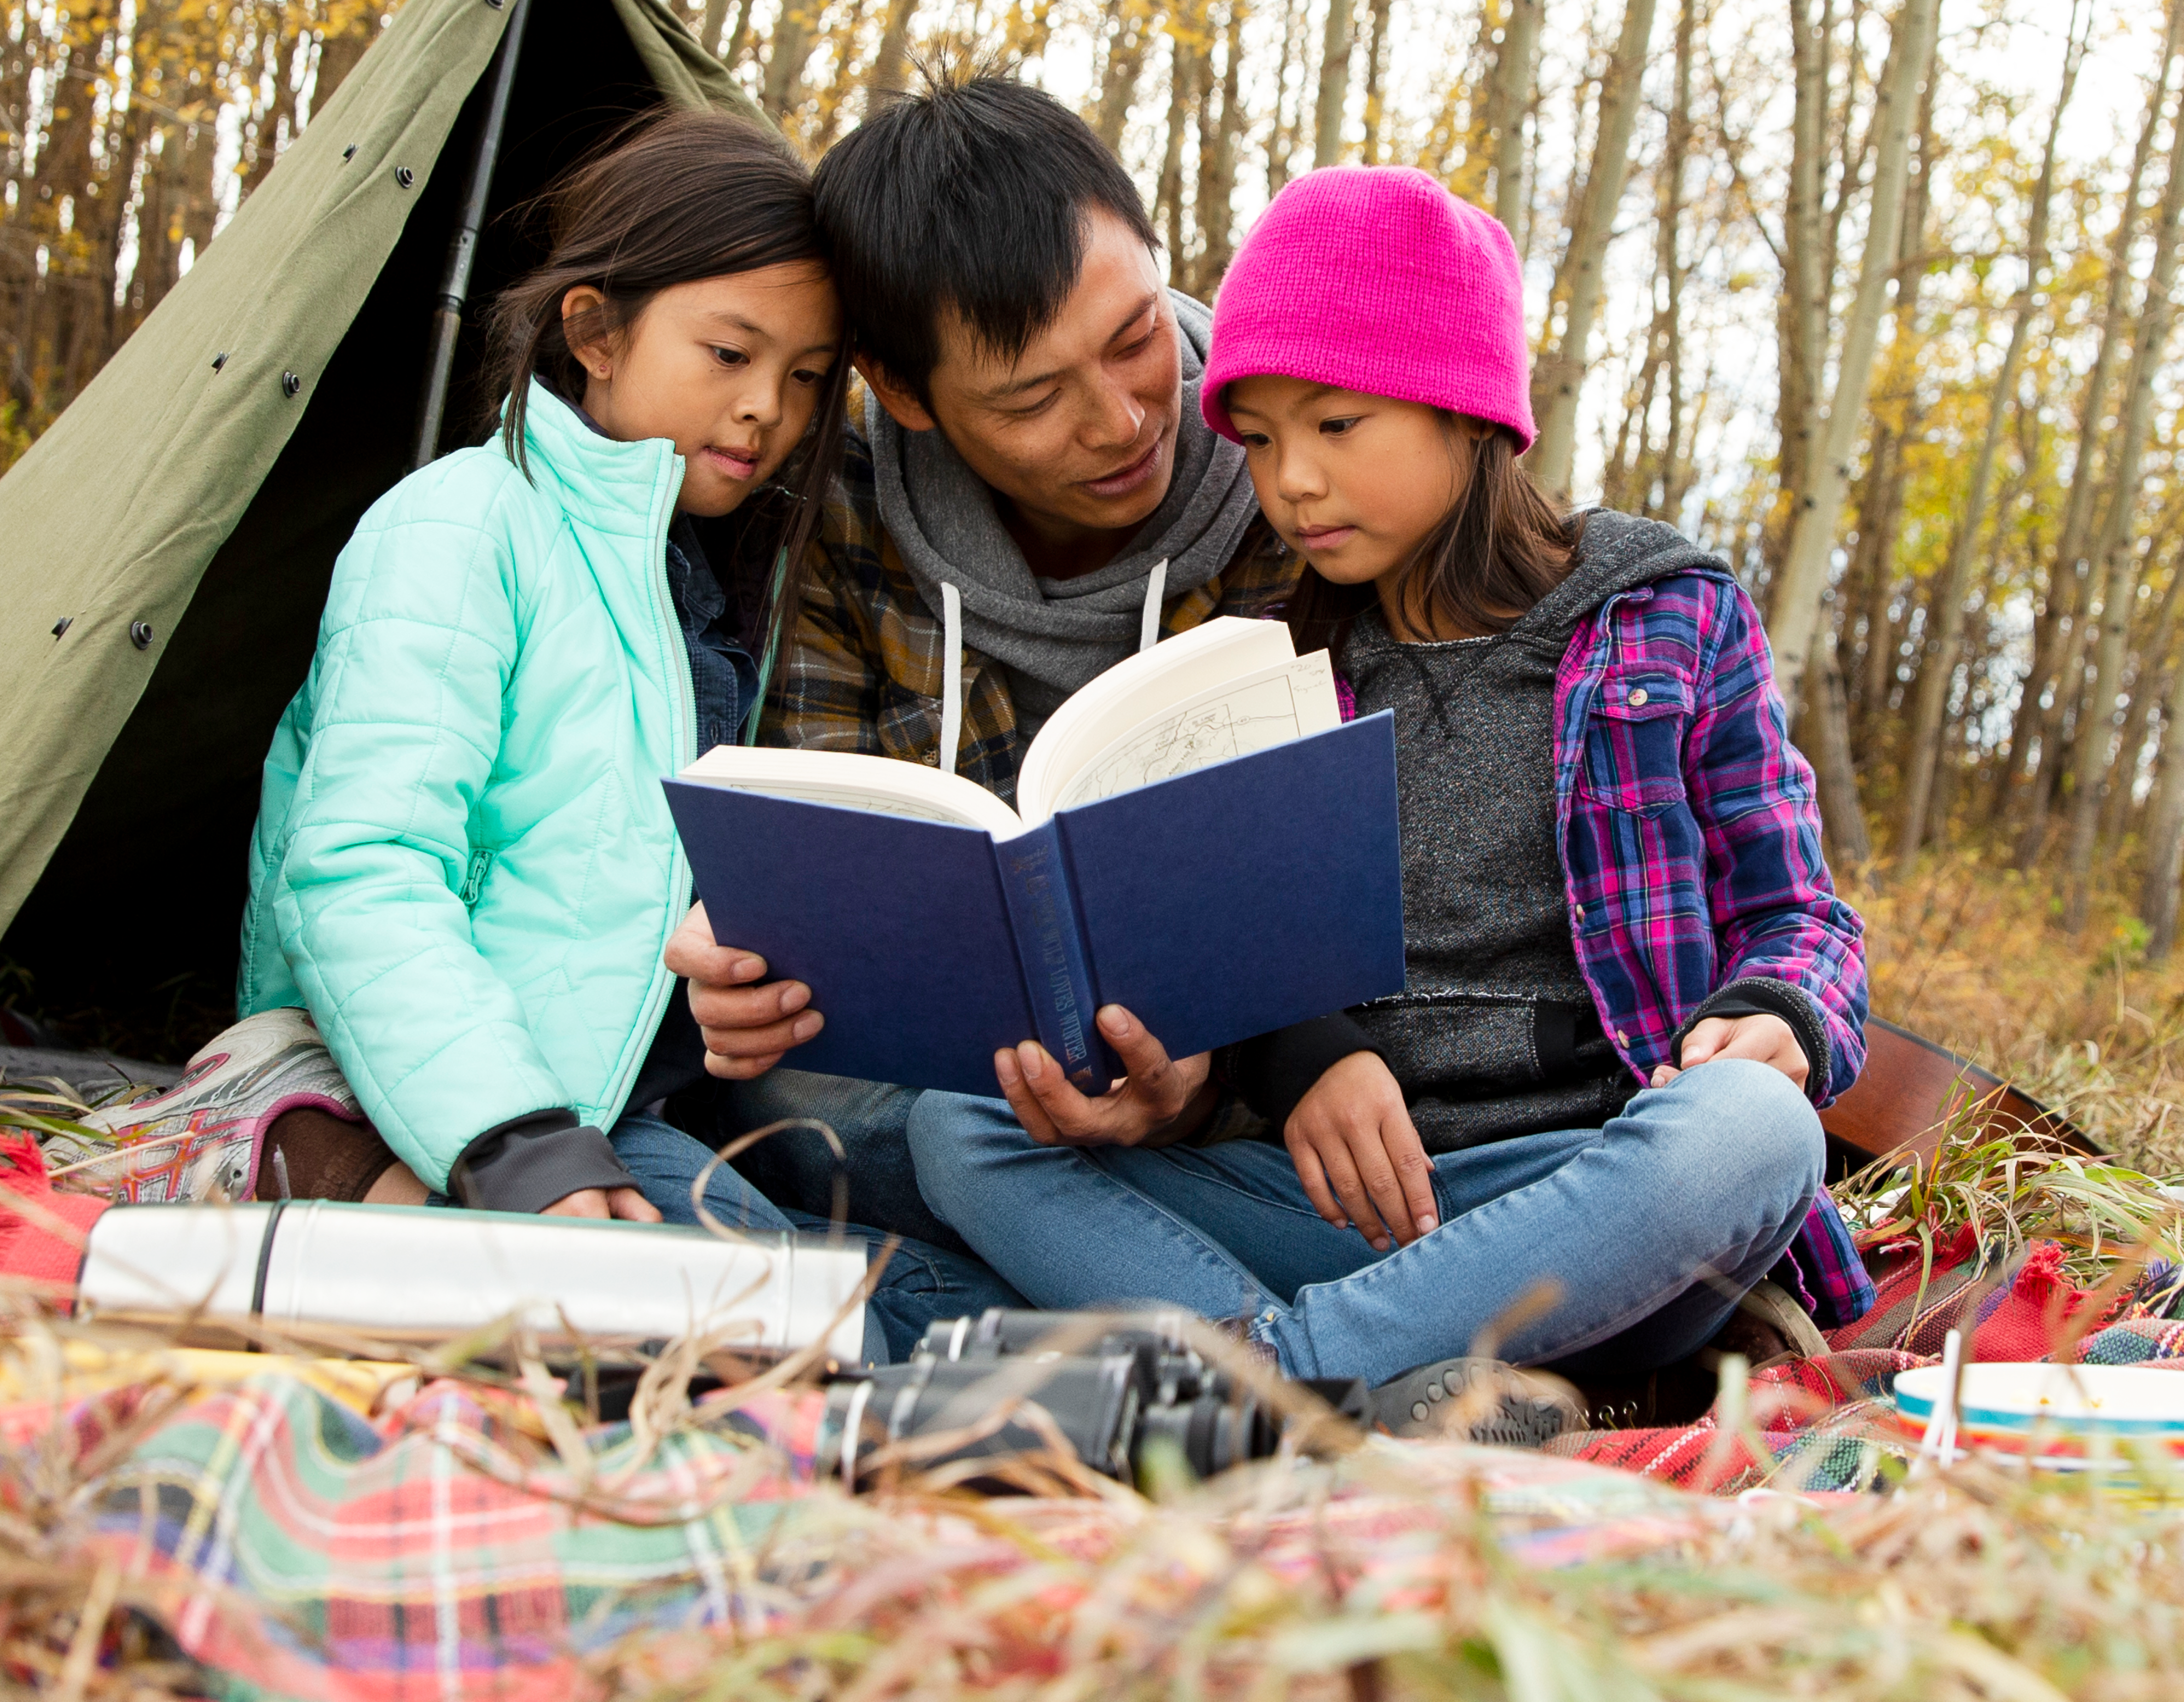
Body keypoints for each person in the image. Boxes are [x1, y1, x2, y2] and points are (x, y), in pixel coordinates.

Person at [903, 165, 1871, 1405]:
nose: (1291, 479)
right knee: (958, 1121)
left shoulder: (1665, 617)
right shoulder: (1267, 663)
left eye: (1336, 425)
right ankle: (1377, 1383)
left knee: (1759, 1130)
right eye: (1258, 440)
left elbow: (1803, 914)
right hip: (1348, 1212)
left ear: (1466, 409)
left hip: (1603, 1205)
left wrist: (1779, 1016)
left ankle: (1266, 1382)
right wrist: (1300, 1054)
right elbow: (1220, 968)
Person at [211, 108, 1013, 1354]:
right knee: (818, 1332)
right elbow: (358, 867)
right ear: (593, 330)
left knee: (960, 1281)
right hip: (483, 1099)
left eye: (805, 378)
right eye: (729, 353)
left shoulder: (706, 576)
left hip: (662, 1089)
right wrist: (515, 1136)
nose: (765, 411)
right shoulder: (460, 529)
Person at [667, 73, 1300, 1237]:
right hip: (941, 1079)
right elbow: (833, 864)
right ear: (903, 391)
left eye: (1136, 336)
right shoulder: (839, 505)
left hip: (1237, 1071)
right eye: (1030, 398)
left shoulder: (1290, 473)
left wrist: (1205, 1078)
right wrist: (753, 970)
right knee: (789, 1091)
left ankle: (1097, 1239)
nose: (1120, 421)